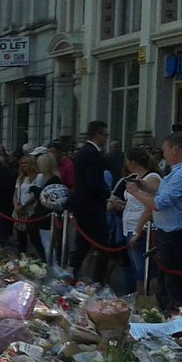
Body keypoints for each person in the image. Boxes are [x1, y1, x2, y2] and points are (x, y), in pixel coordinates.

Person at [126, 131, 182, 313]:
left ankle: (180, 321)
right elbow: (164, 190)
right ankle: (172, 316)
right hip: (171, 231)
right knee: (167, 280)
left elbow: (158, 204)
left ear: (176, 150)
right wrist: (144, 186)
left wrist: (135, 192)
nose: (163, 154)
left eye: (165, 150)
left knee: (175, 283)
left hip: (177, 233)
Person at [69, 121, 112, 284]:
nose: (106, 138)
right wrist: (109, 194)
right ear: (97, 134)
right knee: (103, 246)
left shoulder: (81, 153)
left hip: (82, 204)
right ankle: (98, 282)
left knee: (83, 244)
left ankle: (70, 274)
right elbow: (93, 182)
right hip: (92, 206)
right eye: (105, 135)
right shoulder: (93, 155)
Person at [117, 147, 160, 296]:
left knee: (147, 269)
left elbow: (150, 206)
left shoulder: (152, 178)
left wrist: (137, 231)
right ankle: (140, 299)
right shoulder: (134, 177)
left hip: (142, 228)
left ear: (132, 162)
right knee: (137, 269)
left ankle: (150, 300)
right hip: (129, 226)